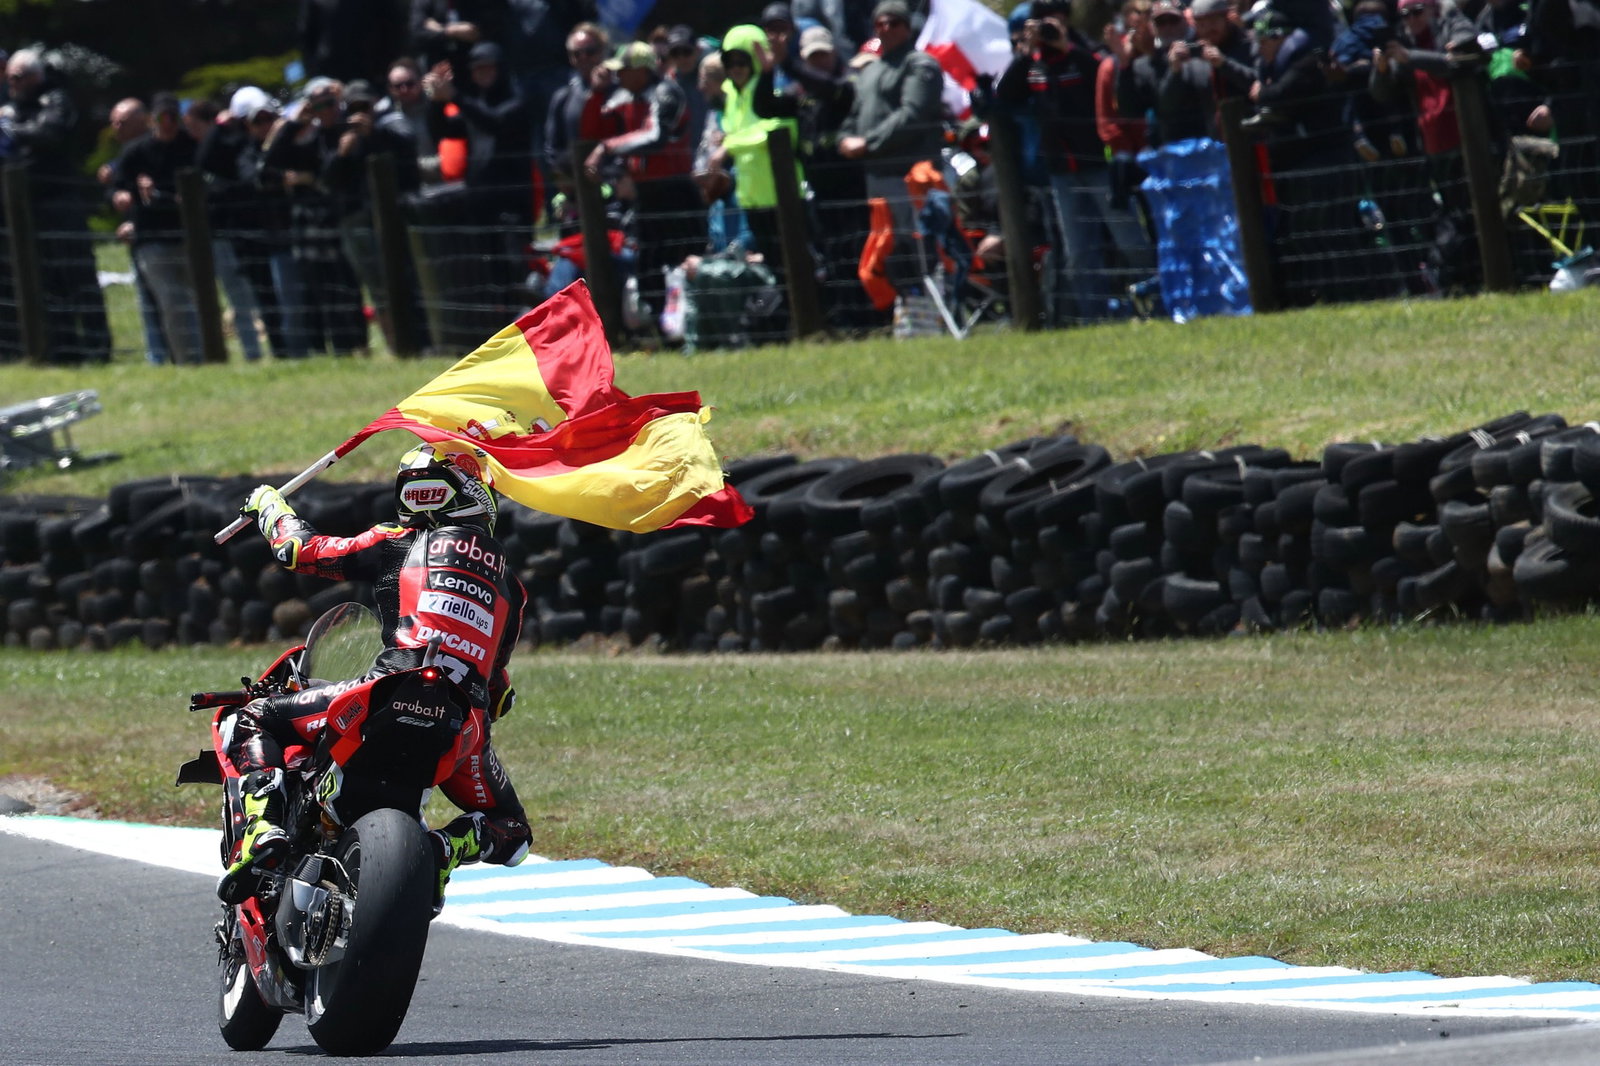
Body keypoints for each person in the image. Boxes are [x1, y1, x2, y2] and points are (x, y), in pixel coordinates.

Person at [218, 443, 532, 903]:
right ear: (475, 496)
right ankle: (447, 848)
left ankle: (262, 830)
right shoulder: (511, 588)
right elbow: (498, 690)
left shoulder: (396, 540)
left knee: (249, 718)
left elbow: (298, 549)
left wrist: (268, 503)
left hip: (387, 689)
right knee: (515, 832)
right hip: (463, 725)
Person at [581, 40, 703, 331]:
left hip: (674, 191)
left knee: (679, 259)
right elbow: (597, 131)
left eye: (624, 70)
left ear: (641, 71)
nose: (618, 77)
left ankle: (688, 327)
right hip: (646, 193)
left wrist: (607, 148)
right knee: (647, 263)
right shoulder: (627, 98)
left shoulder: (665, 92)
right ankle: (657, 328)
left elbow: (655, 136)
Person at [1, 49, 112, 364]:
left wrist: (10, 131)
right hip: (27, 209)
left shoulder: (56, 101)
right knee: (45, 283)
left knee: (77, 279)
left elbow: (49, 135)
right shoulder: (10, 108)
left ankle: (97, 350)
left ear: (36, 76)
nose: (12, 82)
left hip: (60, 205)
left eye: (18, 77)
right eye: (9, 77)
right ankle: (63, 351)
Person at [837, 0, 945, 311]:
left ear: (907, 27)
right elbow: (853, 117)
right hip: (878, 178)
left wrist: (868, 142)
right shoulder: (871, 72)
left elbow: (913, 115)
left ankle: (938, 310)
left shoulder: (920, 64)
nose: (886, 28)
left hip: (912, 175)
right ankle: (907, 312)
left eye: (894, 23)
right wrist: (845, 139)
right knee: (889, 250)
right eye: (880, 23)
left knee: (922, 245)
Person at [113, 92, 203, 364]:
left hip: (190, 235)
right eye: (163, 117)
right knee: (172, 303)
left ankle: (208, 355)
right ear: (154, 120)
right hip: (152, 237)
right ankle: (187, 361)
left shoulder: (192, 146)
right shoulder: (135, 152)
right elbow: (117, 187)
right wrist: (121, 197)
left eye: (174, 118)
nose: (168, 123)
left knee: (199, 300)